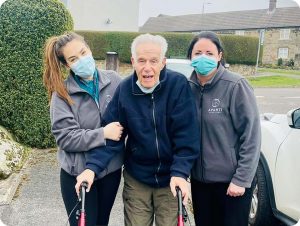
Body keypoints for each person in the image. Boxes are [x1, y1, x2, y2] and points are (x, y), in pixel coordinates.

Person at [75, 33, 200, 226]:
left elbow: (187, 136)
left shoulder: (178, 86)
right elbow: (112, 136)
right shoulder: (125, 90)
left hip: (171, 178)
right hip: (137, 178)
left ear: (163, 62)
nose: (147, 67)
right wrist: (91, 168)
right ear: (133, 61)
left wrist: (181, 173)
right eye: (141, 60)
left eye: (153, 61)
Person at [43, 32, 124, 226]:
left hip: (109, 171)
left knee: (101, 222)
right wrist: (103, 133)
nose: (81, 60)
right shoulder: (62, 94)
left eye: (83, 52)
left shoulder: (114, 81)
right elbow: (65, 138)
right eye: (73, 59)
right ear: (67, 65)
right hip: (76, 174)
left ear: (89, 49)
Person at [187, 31, 261, 226]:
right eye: (198, 53)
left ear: (219, 56)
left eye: (210, 53)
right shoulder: (188, 87)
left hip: (231, 183)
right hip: (200, 182)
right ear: (190, 57)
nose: (203, 57)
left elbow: (251, 136)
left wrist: (241, 179)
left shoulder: (236, 85)